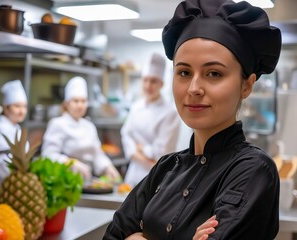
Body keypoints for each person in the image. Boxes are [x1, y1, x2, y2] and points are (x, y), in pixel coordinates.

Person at [103, 0, 282, 239]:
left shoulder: (253, 171)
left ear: (246, 86)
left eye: (214, 73)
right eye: (184, 72)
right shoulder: (166, 168)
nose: (194, 88)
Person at [41, 76, 120, 181]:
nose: (80, 105)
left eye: (83, 101)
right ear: (67, 103)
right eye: (76, 101)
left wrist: (108, 167)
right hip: (65, 181)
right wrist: (71, 163)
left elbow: (97, 154)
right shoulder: (57, 124)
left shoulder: (89, 126)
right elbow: (48, 155)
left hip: (87, 180)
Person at [121, 53, 180, 187]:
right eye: (145, 80)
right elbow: (126, 135)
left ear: (162, 84)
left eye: (153, 81)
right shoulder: (136, 107)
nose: (148, 85)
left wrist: (141, 148)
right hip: (132, 177)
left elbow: (161, 153)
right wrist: (144, 154)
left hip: (157, 179)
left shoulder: (170, 112)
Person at [0, 80, 28, 202]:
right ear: (6, 108)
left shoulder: (16, 128)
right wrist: (18, 178)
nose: (21, 111)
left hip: (16, 186)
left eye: (24, 106)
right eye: (17, 106)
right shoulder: (1, 128)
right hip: (2, 187)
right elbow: (0, 161)